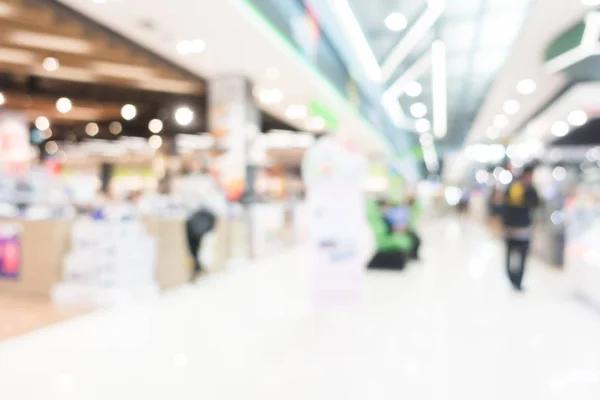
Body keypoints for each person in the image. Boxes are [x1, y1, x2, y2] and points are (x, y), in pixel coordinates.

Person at [502, 165, 539, 291]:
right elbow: (505, 208)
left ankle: (517, 281)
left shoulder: (528, 189)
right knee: (512, 256)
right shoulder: (516, 188)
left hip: (522, 230)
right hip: (513, 229)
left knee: (521, 257)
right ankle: (513, 279)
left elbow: (535, 204)